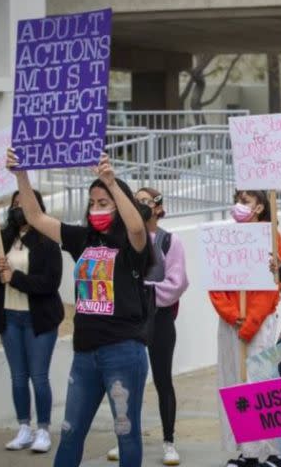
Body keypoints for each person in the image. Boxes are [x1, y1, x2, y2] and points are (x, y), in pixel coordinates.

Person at [8, 149, 154, 467]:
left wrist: (111, 183)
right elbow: (35, 218)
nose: (96, 209)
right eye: (92, 203)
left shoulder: (132, 245)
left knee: (126, 434)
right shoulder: (82, 239)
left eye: (104, 204)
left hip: (123, 352)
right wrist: (21, 175)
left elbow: (139, 228)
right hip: (85, 355)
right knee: (70, 433)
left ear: (119, 205)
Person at [106, 188, 189, 465]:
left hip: (159, 319)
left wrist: (142, 289)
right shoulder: (124, 239)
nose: (140, 205)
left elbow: (177, 284)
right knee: (127, 383)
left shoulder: (170, 241)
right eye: (135, 201)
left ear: (158, 207)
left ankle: (169, 441)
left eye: (145, 201)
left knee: (163, 380)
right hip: (130, 320)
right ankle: (126, 439)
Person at [0, 190, 64, 453]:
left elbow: (50, 283)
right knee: (18, 377)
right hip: (9, 319)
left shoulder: (48, 240)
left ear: (36, 207)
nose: (18, 209)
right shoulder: (2, 238)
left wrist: (14, 277)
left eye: (23, 204)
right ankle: (24, 428)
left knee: (39, 377)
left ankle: (43, 430)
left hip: (38, 320)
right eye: (15, 205)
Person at [210, 190, 281, 467]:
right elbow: (216, 279)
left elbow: (272, 284)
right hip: (232, 324)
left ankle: (270, 451)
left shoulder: (271, 237)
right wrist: (232, 315)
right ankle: (246, 450)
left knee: (259, 384)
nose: (239, 206)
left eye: (245, 201)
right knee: (233, 382)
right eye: (238, 199)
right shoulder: (224, 236)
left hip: (259, 324)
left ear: (258, 207)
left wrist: (250, 322)